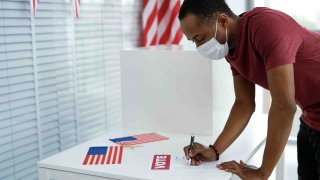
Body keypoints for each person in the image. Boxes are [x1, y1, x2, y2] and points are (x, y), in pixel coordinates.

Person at [179, 0, 320, 179]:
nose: (199, 47)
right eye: (193, 41)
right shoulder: (230, 48)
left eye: (200, 38)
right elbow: (244, 103)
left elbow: (284, 106)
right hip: (311, 115)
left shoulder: (267, 27)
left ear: (222, 21)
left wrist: (263, 173)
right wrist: (214, 151)